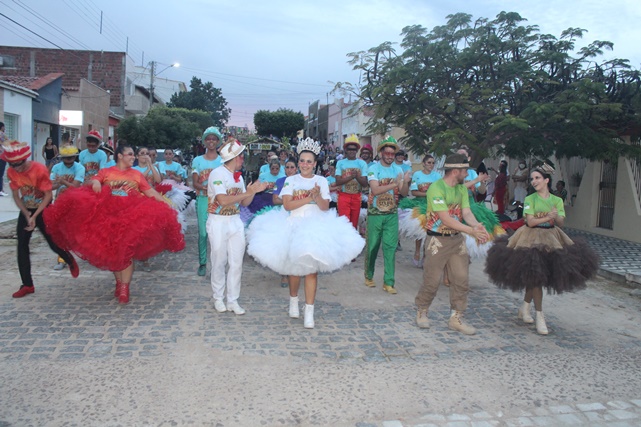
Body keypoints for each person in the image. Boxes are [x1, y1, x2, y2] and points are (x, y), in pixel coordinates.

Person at [43, 144, 185, 304]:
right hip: (108, 219)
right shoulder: (107, 172)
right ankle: (119, 282)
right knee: (114, 254)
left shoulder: (137, 175)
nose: (133, 157)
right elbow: (92, 180)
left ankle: (125, 287)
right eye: (130, 154)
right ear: (120, 156)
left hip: (131, 219)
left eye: (134, 154)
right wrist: (95, 183)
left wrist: (167, 204)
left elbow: (150, 192)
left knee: (126, 252)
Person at [247, 138, 365, 328]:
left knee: (311, 272)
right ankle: (293, 300)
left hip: (315, 227)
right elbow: (287, 204)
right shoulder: (290, 180)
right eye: (302, 160)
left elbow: (325, 207)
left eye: (309, 161)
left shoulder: (321, 181)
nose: (305, 165)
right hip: (293, 224)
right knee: (294, 270)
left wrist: (316, 196)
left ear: (315, 163)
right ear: (298, 161)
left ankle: (309, 311)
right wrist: (308, 198)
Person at [485, 163, 599, 335]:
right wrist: (547, 216)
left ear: (546, 180)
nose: (533, 181)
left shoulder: (557, 200)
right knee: (535, 276)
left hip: (551, 237)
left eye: (537, 178)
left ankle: (525, 306)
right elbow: (530, 222)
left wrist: (556, 217)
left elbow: (560, 222)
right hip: (529, 237)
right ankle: (540, 316)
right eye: (532, 179)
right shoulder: (530, 199)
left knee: (537, 277)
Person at [414, 153, 490, 335]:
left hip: (457, 240)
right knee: (432, 280)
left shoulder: (462, 189)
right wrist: (470, 231)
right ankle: (422, 310)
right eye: (465, 170)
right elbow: (445, 219)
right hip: (437, 240)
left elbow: (466, 212)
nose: (467, 174)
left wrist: (477, 226)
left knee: (461, 279)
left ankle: (456, 318)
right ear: (456, 171)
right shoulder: (436, 188)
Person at [2, 140, 79, 298]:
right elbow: (16, 196)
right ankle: (27, 284)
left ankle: (68, 258)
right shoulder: (12, 172)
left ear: (25, 160)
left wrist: (35, 216)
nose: (17, 168)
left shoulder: (38, 169)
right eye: (12, 165)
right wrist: (26, 214)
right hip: (27, 209)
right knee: (22, 246)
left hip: (43, 208)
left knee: (52, 243)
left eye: (19, 164)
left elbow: (48, 195)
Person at [207, 139, 268, 315]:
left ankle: (233, 300)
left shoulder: (239, 176)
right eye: (241, 155)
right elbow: (222, 200)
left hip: (235, 220)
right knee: (219, 260)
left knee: (236, 263)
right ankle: (218, 298)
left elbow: (244, 202)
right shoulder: (216, 174)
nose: (243, 158)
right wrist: (247, 192)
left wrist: (253, 192)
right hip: (218, 220)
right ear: (234, 157)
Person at [364, 136, 411, 294]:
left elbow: (403, 192)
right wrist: (395, 184)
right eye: (387, 153)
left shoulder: (398, 170)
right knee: (372, 247)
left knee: (390, 248)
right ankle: (369, 275)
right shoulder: (373, 168)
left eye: (393, 153)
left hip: (391, 214)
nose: (390, 156)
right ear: (381, 153)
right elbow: (375, 190)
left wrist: (405, 182)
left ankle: (388, 282)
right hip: (375, 213)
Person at [191, 127, 224, 276]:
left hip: (219, 201)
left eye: (214, 139)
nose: (211, 141)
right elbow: (195, 183)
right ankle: (203, 262)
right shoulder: (197, 161)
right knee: (203, 233)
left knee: (218, 234)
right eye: (208, 139)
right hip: (204, 199)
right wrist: (206, 189)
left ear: (218, 141)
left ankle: (218, 263)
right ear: (204, 141)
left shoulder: (223, 161)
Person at [399, 154, 441, 267]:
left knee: (429, 232)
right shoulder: (417, 175)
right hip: (420, 204)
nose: (431, 165)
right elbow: (414, 192)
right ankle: (417, 251)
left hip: (433, 205)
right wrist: (428, 194)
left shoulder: (437, 176)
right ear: (423, 163)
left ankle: (425, 256)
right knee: (419, 230)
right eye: (429, 163)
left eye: (433, 163)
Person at [50, 146, 85, 271]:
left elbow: (75, 187)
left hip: (75, 204)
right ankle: (62, 258)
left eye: (70, 158)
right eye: (65, 158)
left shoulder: (80, 168)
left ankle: (84, 252)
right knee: (61, 232)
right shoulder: (56, 168)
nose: (67, 161)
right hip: (60, 203)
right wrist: (58, 183)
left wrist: (62, 181)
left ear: (75, 157)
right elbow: (51, 186)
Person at [334, 134, 368, 229]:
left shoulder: (362, 163)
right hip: (343, 195)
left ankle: (353, 243)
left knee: (354, 223)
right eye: (349, 149)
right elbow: (338, 181)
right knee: (344, 223)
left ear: (357, 150)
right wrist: (351, 177)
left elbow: (365, 184)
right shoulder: (341, 163)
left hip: (357, 196)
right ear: (345, 150)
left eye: (354, 149)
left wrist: (357, 176)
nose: (351, 151)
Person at [0, 122, 8, 197]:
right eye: (4, 127)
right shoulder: (2, 134)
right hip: (1, 157)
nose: (4, 128)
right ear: (2, 127)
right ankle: (0, 190)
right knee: (1, 174)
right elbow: (7, 143)